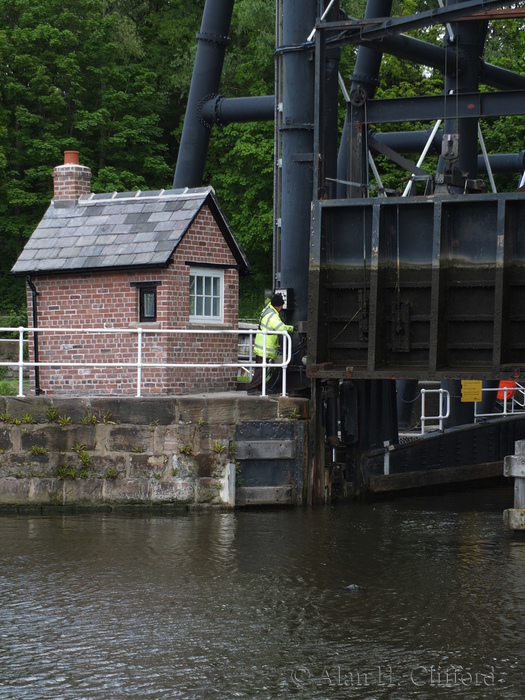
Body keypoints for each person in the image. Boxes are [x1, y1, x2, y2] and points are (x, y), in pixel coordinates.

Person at [247, 294, 294, 395]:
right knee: (260, 369)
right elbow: (281, 328)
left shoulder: (267, 310)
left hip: (262, 344)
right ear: (277, 306)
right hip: (265, 346)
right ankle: (251, 388)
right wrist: (292, 328)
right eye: (281, 306)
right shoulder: (272, 316)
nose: (281, 308)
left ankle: (261, 389)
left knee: (262, 368)